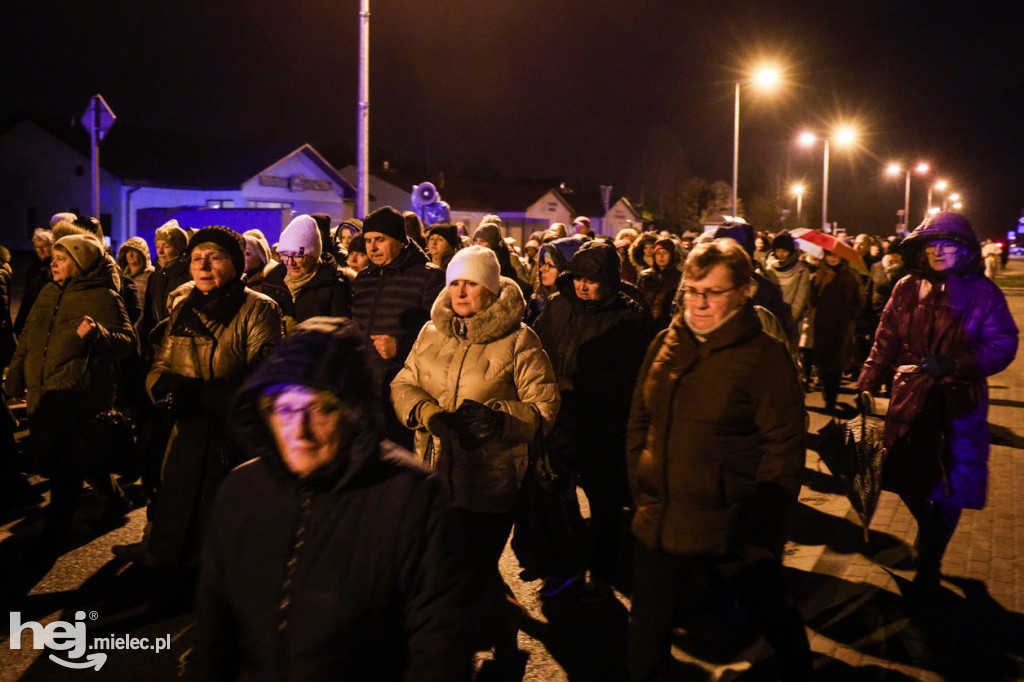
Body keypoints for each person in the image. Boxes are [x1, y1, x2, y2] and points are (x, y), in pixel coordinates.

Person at [188, 318, 474, 681]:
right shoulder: (242, 490)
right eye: (286, 410)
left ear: (354, 412)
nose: (300, 431)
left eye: (321, 409)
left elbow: (439, 648)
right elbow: (213, 632)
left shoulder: (408, 495)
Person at [626, 238, 810, 681]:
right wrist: (642, 486)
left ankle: (800, 670)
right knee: (646, 627)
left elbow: (783, 448)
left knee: (771, 612)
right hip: (661, 518)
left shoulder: (764, 357)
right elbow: (639, 420)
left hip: (733, 524)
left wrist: (762, 534)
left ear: (744, 292)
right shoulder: (665, 343)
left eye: (713, 292)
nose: (700, 302)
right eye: (692, 289)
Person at [391, 246, 559, 661]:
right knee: (453, 567)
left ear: (491, 288)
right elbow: (403, 384)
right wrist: (431, 415)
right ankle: (498, 623)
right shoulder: (431, 333)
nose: (460, 292)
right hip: (432, 473)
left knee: (469, 568)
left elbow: (544, 408)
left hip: (491, 478)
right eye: (455, 283)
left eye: (471, 284)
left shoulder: (520, 340)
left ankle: (471, 645)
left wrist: (498, 418)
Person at [858, 212, 1018, 595]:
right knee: (907, 479)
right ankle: (929, 538)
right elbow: (886, 338)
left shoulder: (983, 292)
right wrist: (869, 377)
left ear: (965, 249)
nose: (939, 251)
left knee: (950, 486)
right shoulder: (906, 288)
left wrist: (956, 363)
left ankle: (931, 558)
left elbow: (1003, 344)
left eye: (948, 244)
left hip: (958, 406)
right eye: (932, 244)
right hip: (910, 399)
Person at [115, 226, 283, 568]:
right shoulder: (182, 305)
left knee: (219, 526)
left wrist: (202, 393)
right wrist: (161, 385)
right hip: (185, 427)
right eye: (196, 259)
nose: (203, 267)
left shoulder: (259, 309)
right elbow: (161, 361)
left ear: (235, 263)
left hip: (230, 435)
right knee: (176, 508)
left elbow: (263, 379)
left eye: (215, 258)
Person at [535, 241, 654, 599]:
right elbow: (535, 348)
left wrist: (580, 383)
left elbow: (633, 377)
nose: (583, 286)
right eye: (578, 278)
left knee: (604, 503)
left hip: (603, 424)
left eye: (592, 279)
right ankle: (566, 563)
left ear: (610, 280)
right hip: (559, 419)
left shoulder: (630, 318)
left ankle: (602, 572)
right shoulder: (558, 307)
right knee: (555, 494)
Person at [5, 234, 137, 547]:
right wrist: (15, 377)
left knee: (65, 467)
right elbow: (27, 337)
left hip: (79, 394)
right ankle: (114, 500)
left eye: (62, 258)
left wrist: (98, 334)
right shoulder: (49, 291)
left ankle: (54, 535)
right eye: (54, 257)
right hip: (45, 391)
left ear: (79, 263)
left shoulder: (103, 296)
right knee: (80, 457)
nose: (53, 262)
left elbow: (129, 345)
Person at [352, 206, 446, 449]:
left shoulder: (429, 278)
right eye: (368, 241)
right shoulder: (363, 279)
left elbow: (441, 339)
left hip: (403, 395)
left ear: (400, 240)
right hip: (364, 393)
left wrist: (401, 347)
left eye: (379, 240)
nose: (372, 248)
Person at [261, 214, 352, 333]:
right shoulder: (273, 281)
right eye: (284, 254)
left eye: (297, 255)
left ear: (314, 255)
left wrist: (298, 332)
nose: (290, 262)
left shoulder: (335, 284)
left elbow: (339, 336)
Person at [811, 249, 864, 413]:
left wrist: (853, 315)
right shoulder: (818, 274)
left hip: (842, 325)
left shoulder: (851, 275)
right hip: (823, 324)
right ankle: (827, 393)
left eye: (835, 255)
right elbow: (812, 300)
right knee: (824, 362)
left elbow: (860, 297)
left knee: (837, 362)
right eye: (829, 255)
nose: (832, 258)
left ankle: (831, 398)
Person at [139, 220, 192, 357]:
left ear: (178, 247)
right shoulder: (155, 276)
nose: (160, 251)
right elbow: (149, 313)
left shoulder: (187, 275)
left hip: (180, 342)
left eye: (166, 246)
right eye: (157, 246)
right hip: (157, 342)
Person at [763, 230, 811, 344]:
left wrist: (788, 321)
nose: (780, 254)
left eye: (784, 251)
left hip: (790, 323)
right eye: (777, 251)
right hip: (770, 321)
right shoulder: (767, 269)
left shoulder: (801, 271)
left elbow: (800, 300)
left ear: (790, 251)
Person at [524, 236, 585, 327]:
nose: (541, 269)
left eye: (549, 265)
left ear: (565, 270)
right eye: (543, 263)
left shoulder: (576, 309)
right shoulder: (538, 300)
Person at [13, 228, 54, 336]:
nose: (40, 250)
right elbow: (28, 296)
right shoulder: (34, 266)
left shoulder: (54, 267)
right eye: (37, 247)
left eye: (43, 247)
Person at [635, 238, 683, 330]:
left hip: (667, 325)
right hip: (644, 325)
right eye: (658, 253)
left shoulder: (678, 277)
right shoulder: (645, 276)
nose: (661, 257)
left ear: (671, 255)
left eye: (665, 253)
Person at [117, 236, 156, 304]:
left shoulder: (152, 276)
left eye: (134, 251)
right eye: (128, 251)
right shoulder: (121, 277)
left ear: (142, 254)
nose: (130, 254)